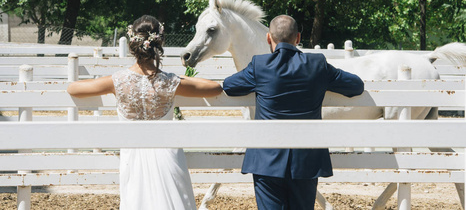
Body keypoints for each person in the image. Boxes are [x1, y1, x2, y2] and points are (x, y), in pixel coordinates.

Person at [67, 15, 223, 210]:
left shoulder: (117, 80)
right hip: (167, 156)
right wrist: (179, 78)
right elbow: (215, 87)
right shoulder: (170, 82)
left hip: (133, 158)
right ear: (160, 43)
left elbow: (73, 88)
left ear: (133, 43)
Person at [223, 15, 364, 210]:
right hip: (306, 160)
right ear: (298, 38)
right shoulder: (317, 64)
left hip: (266, 160)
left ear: (268, 38)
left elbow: (229, 86)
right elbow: (356, 86)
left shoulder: (260, 65)